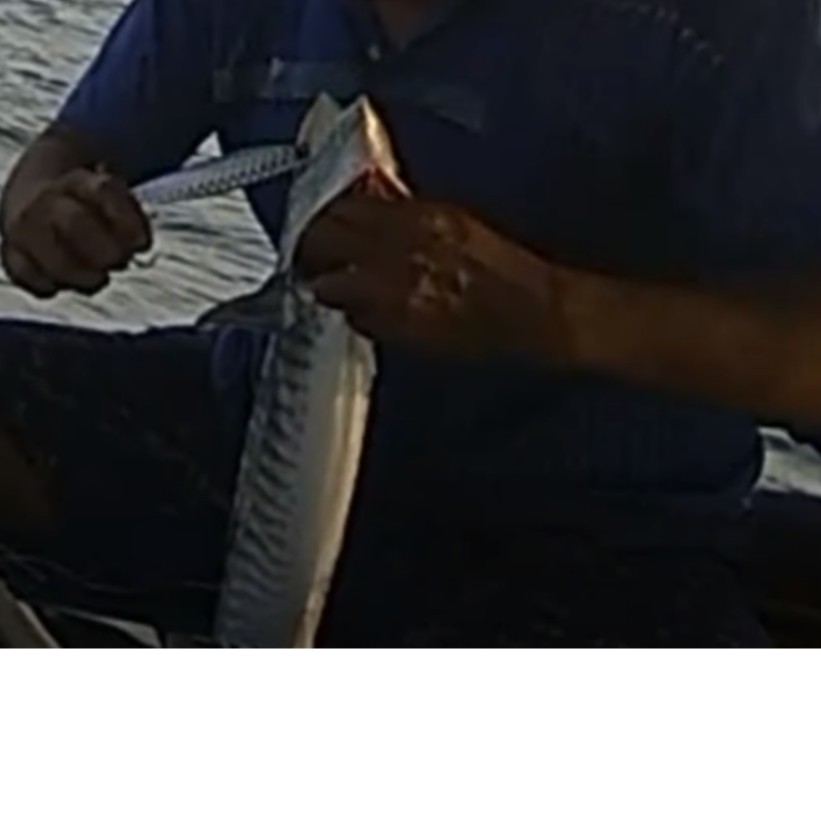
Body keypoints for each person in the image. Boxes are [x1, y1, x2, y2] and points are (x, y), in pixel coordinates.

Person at [1, 0, 821, 646]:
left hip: (598, 536)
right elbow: (73, 146)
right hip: (257, 442)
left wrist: (551, 309)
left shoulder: (732, 30)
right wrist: (44, 211)